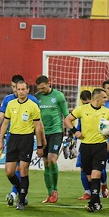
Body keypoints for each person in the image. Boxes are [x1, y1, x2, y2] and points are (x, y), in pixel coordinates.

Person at [0, 80, 46, 210]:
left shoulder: (33, 106)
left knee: (23, 170)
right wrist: (1, 140)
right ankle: (21, 190)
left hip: (26, 139)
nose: (21, 92)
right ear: (16, 90)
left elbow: (38, 127)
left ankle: (22, 200)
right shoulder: (11, 104)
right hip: (12, 139)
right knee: (9, 172)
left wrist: (40, 146)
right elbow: (5, 124)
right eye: (19, 89)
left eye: (23, 89)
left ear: (28, 90)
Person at [64, 87, 109, 212]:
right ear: (96, 98)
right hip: (86, 146)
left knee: (96, 174)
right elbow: (67, 120)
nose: (106, 99)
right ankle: (96, 202)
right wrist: (75, 132)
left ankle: (93, 203)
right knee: (89, 177)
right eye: (104, 97)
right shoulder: (82, 109)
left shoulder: (107, 112)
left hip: (100, 146)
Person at [34, 75, 69, 204]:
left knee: (52, 160)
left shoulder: (59, 96)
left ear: (49, 84)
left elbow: (66, 114)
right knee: (46, 163)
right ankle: (49, 194)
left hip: (56, 132)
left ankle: (55, 190)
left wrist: (71, 131)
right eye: (39, 88)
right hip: (42, 134)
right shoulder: (36, 98)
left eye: (43, 88)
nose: (41, 90)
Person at [73, 90, 92, 201]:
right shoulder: (81, 112)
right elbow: (79, 126)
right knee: (82, 167)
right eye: (84, 103)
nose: (86, 105)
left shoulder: (97, 111)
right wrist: (75, 138)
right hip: (85, 144)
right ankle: (87, 192)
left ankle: (103, 186)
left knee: (97, 169)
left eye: (87, 103)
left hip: (96, 144)